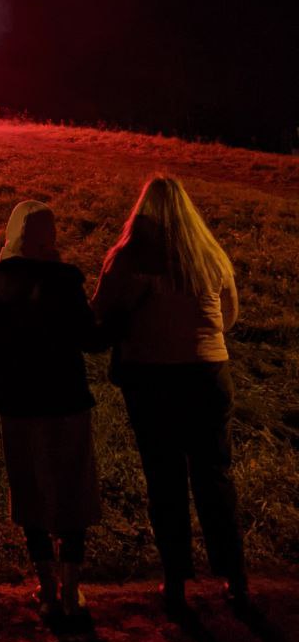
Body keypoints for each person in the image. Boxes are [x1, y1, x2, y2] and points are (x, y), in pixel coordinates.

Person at [91, 174, 247, 613]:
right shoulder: (209, 255)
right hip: (208, 374)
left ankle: (176, 580)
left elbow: (99, 312)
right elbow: (229, 317)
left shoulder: (127, 259)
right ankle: (235, 577)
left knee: (165, 480)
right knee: (215, 477)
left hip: (152, 378)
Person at [0, 201, 104, 624]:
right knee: (71, 491)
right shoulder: (65, 281)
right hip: (66, 399)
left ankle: (46, 587)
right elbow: (92, 340)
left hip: (19, 404)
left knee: (30, 491)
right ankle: (71, 590)